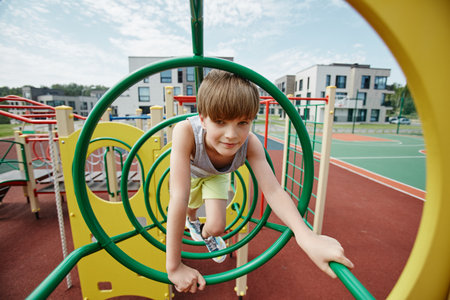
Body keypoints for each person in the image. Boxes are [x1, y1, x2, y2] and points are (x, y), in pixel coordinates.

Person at [166, 69, 354, 294]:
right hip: (192, 174)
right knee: (188, 207)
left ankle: (203, 232)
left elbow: (273, 190)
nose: (231, 135)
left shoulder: (251, 144)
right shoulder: (185, 131)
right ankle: (193, 220)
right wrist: (174, 266)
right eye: (220, 121)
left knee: (217, 227)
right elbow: (179, 195)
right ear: (203, 119)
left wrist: (307, 237)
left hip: (217, 175)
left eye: (243, 122)